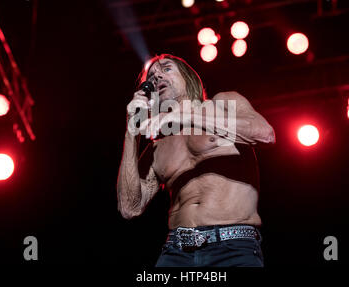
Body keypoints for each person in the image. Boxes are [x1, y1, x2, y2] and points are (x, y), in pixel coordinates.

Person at [117, 54, 275, 267]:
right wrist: (131, 129)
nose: (157, 77)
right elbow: (129, 207)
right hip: (176, 251)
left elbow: (265, 134)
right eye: (152, 77)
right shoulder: (158, 145)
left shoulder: (223, 104)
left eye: (166, 69)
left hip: (232, 246)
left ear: (189, 77)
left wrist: (187, 115)